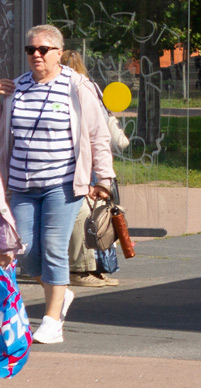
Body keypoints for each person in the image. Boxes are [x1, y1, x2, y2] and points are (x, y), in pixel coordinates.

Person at [1, 25, 116, 344]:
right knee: (23, 250)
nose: (36, 55)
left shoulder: (77, 86)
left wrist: (103, 178)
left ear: (58, 52)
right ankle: (59, 293)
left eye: (43, 50)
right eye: (30, 50)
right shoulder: (16, 88)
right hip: (22, 183)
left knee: (53, 247)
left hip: (62, 185)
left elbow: (98, 135)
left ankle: (53, 321)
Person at [59, 51, 119, 288]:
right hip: (90, 159)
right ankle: (94, 267)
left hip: (83, 159)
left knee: (87, 215)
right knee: (95, 216)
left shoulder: (81, 88)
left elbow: (96, 128)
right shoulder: (91, 86)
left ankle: (87, 267)